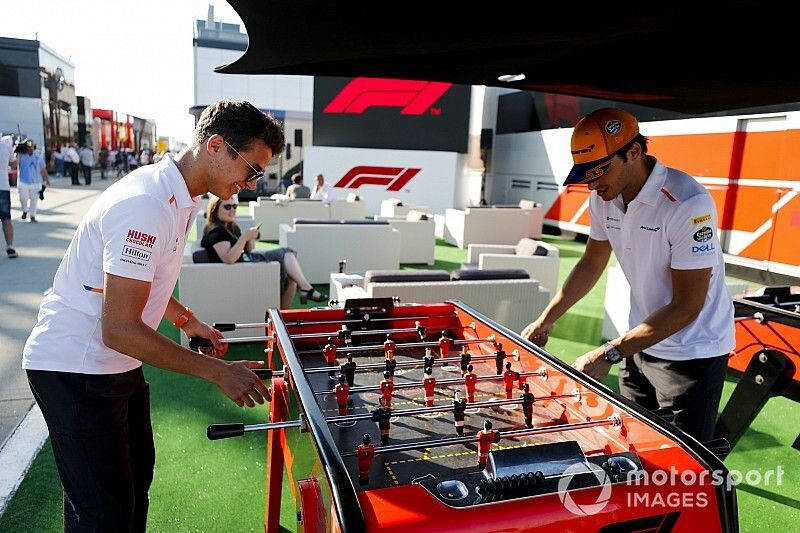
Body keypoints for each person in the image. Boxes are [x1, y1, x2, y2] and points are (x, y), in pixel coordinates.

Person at [22, 100, 284, 532]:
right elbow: (120, 329)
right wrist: (217, 372)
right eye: (252, 170)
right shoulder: (144, 204)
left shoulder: (180, 196)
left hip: (113, 367)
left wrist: (187, 320)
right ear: (215, 146)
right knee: (104, 514)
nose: (252, 184)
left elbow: (144, 284)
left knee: (131, 492)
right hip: (74, 367)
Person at [521, 107, 734, 442]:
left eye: (598, 171)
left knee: (681, 467)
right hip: (638, 342)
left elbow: (687, 306)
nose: (591, 183)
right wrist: (547, 319)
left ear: (633, 152)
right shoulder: (603, 198)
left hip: (691, 354)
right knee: (630, 445)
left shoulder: (687, 204)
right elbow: (591, 263)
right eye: (585, 173)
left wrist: (611, 352)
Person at [201, 194, 327, 308]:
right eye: (227, 207)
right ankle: (306, 289)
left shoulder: (230, 227)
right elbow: (229, 259)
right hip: (241, 272)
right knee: (286, 254)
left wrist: (249, 238)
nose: (232, 210)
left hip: (246, 264)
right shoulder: (216, 232)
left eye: (234, 206)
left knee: (291, 273)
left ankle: (284, 313)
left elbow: (248, 250)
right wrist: (245, 236)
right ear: (214, 209)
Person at [16, 139, 50, 223]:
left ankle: (32, 215)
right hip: (23, 181)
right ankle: (24, 210)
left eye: (31, 147)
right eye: (28, 147)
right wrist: (17, 150)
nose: (30, 149)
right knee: (23, 198)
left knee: (34, 200)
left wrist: (47, 179)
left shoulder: (38, 157)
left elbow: (42, 169)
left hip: (36, 182)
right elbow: (15, 163)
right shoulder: (21, 156)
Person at [0, 134, 18, 258]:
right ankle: (10, 247)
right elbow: (13, 164)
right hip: (3, 186)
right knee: (6, 219)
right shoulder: (6, 146)